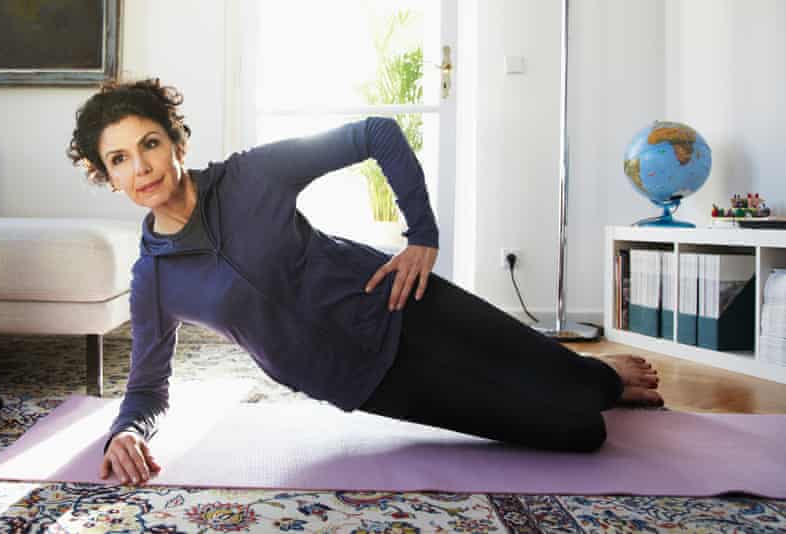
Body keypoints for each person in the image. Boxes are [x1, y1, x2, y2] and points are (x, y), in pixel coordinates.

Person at [66, 78, 663, 487]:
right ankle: (590, 388)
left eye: (149, 143)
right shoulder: (154, 277)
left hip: (399, 302)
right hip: (363, 378)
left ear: (176, 141)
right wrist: (126, 432)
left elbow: (378, 132)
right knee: (580, 433)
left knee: (581, 386)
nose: (140, 167)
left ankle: (599, 376)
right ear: (105, 175)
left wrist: (421, 236)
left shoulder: (251, 176)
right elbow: (147, 386)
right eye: (118, 159)